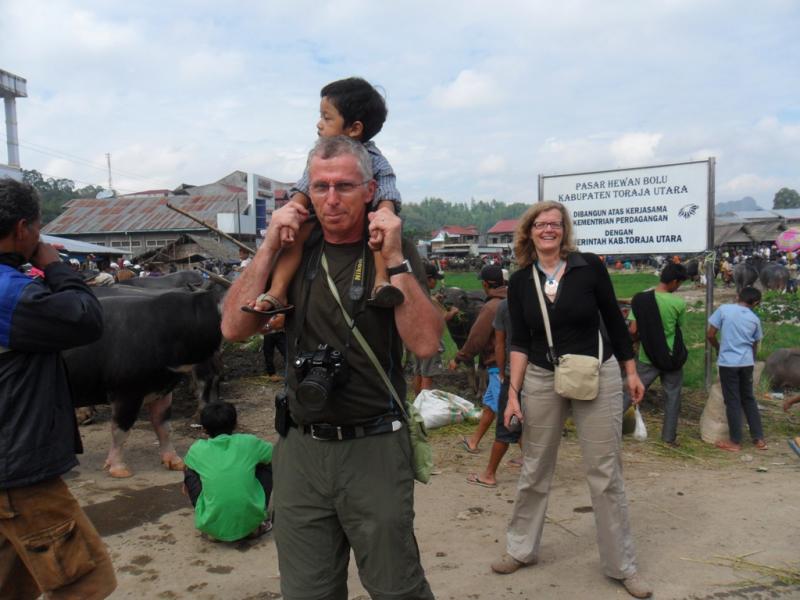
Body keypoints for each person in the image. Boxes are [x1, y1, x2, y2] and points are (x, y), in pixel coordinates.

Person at [221, 136, 442, 599]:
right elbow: (233, 329)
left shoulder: (389, 247)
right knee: (307, 592)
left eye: (344, 185)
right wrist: (266, 246)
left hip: (375, 444)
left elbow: (425, 343)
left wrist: (397, 258)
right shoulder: (295, 246)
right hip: (301, 447)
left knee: (395, 588)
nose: (332, 199)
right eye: (320, 187)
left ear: (369, 190)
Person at [492, 201, 651, 599]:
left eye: (556, 224)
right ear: (528, 232)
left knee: (604, 472)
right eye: (541, 224)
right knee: (534, 467)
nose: (549, 230)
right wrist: (513, 393)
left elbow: (614, 322)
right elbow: (520, 341)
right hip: (543, 377)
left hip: (597, 372)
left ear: (564, 231)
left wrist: (631, 372)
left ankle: (622, 565)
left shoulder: (588, 266)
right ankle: (520, 549)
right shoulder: (520, 280)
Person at [0, 178, 116, 599]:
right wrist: (53, 263)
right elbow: (85, 318)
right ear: (21, 229)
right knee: (85, 581)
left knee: (14, 586)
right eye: (37, 226)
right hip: (19, 476)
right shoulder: (10, 293)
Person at [254, 77, 403, 317]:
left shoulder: (374, 158)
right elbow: (303, 188)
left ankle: (381, 282)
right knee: (298, 235)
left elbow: (387, 188)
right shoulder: (319, 157)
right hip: (321, 218)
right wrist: (291, 213)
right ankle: (278, 290)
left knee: (378, 233)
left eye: (327, 117)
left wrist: (384, 212)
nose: (319, 124)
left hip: (363, 217)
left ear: (354, 128)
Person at [183, 402, 273, 542]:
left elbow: (188, 470)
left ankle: (212, 524)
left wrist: (186, 485)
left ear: (204, 429)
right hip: (250, 524)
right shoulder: (249, 442)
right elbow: (274, 455)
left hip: (212, 526)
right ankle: (257, 522)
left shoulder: (197, 449)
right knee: (266, 464)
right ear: (235, 424)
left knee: (190, 470)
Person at [625, 263, 689, 446]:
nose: (678, 287)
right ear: (674, 281)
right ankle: (668, 438)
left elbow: (633, 329)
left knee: (631, 392)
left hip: (648, 356)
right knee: (673, 397)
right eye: (679, 284)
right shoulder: (678, 303)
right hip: (672, 358)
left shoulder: (640, 299)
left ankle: (611, 427)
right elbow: (679, 327)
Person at [450, 264, 507, 454]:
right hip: (510, 361)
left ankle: (528, 456)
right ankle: (473, 441)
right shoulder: (512, 300)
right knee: (490, 404)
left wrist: (459, 358)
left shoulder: (491, 307)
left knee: (506, 409)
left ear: (485, 284)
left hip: (499, 365)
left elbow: (476, 338)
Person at [465, 297, 521, 488]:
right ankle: (473, 441)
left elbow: (495, 342)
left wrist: (501, 371)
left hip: (507, 370)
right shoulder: (538, 300)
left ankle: (489, 474)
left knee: (508, 423)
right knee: (491, 404)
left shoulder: (501, 306)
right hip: (533, 369)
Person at [707, 286, 767, 452]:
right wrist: (751, 360)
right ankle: (759, 438)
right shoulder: (754, 319)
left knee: (732, 401)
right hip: (746, 363)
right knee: (748, 399)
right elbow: (755, 343)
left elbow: (710, 334)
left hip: (728, 363)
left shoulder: (724, 309)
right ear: (756, 303)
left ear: (738, 296)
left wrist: (718, 347)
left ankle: (735, 441)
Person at [410, 262, 458, 395]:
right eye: (435, 279)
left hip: (416, 341)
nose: (436, 282)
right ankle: (424, 408)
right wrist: (453, 312)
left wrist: (435, 299)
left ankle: (417, 403)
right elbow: (441, 319)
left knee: (418, 372)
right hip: (430, 342)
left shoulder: (415, 293)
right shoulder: (428, 298)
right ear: (429, 279)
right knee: (427, 376)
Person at [262, 313, 287, 382]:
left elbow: (281, 321)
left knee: (286, 352)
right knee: (268, 354)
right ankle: (272, 374)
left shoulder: (279, 308)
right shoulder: (265, 310)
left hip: (280, 333)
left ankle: (290, 372)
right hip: (268, 334)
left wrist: (271, 324)